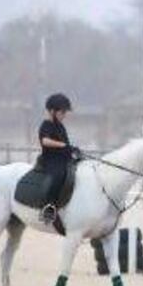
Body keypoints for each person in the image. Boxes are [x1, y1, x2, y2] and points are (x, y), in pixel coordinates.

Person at [37, 93, 81, 224]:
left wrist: (72, 149)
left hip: (63, 158)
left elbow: (66, 144)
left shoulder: (60, 126)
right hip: (51, 160)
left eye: (65, 112)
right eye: (62, 112)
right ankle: (48, 207)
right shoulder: (46, 125)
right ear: (52, 111)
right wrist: (63, 145)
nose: (64, 115)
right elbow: (45, 141)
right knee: (59, 175)